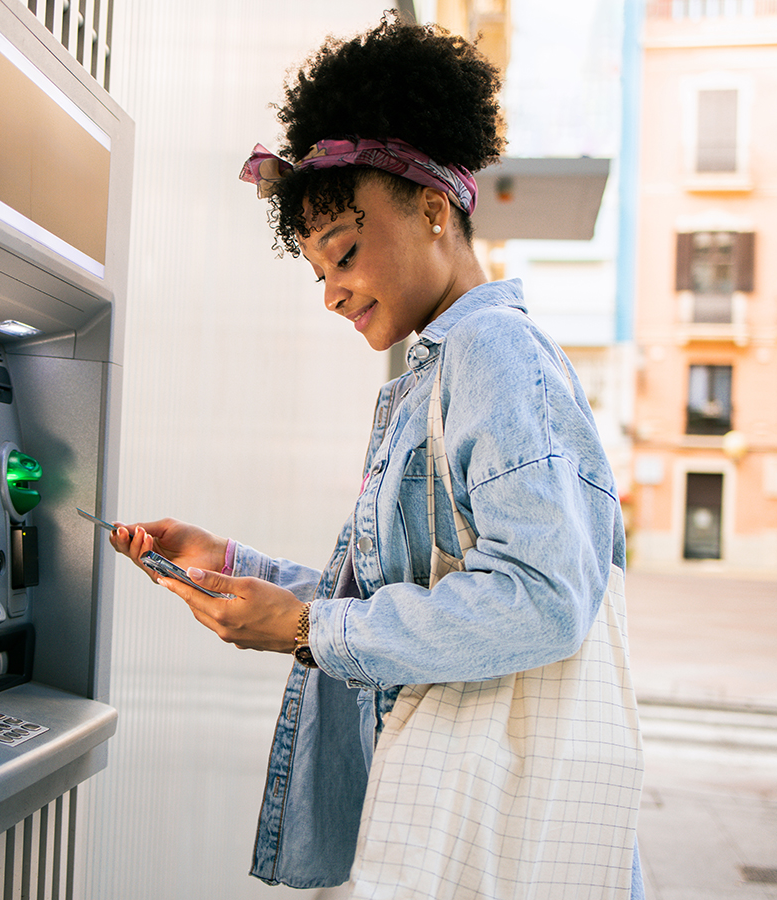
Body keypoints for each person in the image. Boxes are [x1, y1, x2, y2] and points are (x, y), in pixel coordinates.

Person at [105, 16, 644, 900]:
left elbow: (546, 598)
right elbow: (417, 606)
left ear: (435, 207)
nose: (332, 294)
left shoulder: (490, 353)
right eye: (318, 271)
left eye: (346, 255)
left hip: (489, 845)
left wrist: (311, 629)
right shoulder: (437, 373)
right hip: (449, 828)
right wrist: (237, 570)